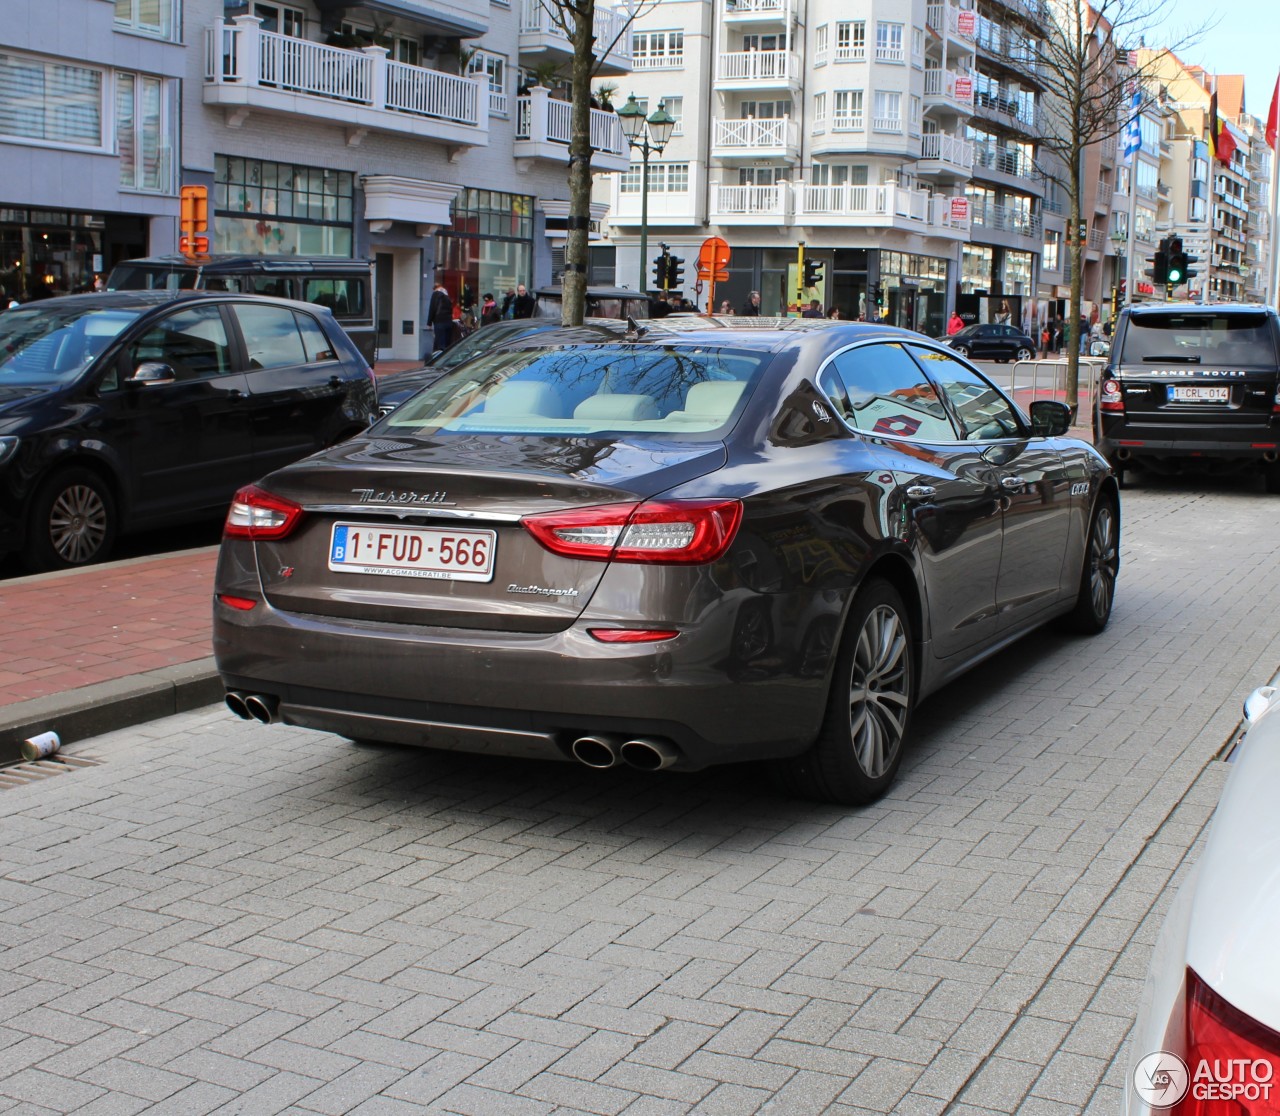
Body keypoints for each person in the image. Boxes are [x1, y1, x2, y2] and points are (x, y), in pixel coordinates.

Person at [426, 280, 453, 356]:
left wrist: (429, 322)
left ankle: (438, 358)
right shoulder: (446, 295)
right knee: (447, 343)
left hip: (439, 321)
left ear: (435, 288)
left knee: (440, 344)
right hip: (448, 321)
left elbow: (432, 308)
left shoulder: (435, 294)